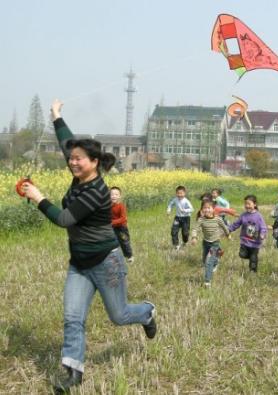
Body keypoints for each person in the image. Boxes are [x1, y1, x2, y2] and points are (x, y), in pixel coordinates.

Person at [22, 100, 156, 393]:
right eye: (72, 158)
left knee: (119, 316)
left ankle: (146, 312)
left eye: (78, 159)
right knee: (72, 317)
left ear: (94, 162)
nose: (72, 161)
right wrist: (57, 116)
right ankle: (73, 372)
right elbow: (66, 143)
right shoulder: (79, 173)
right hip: (79, 264)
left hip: (106, 262)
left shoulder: (98, 191)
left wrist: (38, 198)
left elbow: (65, 219)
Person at [191, 200, 230, 287]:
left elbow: (224, 226)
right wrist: (194, 237)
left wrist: (228, 234)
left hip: (215, 243)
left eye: (209, 208)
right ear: (201, 209)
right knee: (205, 260)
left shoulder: (217, 219)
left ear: (213, 209)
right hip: (205, 243)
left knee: (208, 262)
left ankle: (207, 281)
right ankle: (216, 260)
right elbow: (195, 229)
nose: (206, 210)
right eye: (204, 208)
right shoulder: (201, 219)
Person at [228, 195, 267, 273]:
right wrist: (228, 230)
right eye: (245, 204)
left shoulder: (258, 216)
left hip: (255, 243)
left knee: (253, 259)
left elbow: (263, 227)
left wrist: (262, 234)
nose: (247, 206)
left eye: (249, 204)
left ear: (255, 204)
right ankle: (251, 256)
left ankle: (253, 272)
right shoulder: (243, 215)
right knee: (242, 255)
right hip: (245, 241)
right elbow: (236, 224)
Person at [110, 186, 134, 263]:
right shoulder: (109, 206)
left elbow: (123, 218)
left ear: (120, 196)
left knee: (124, 241)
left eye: (116, 194)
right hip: (113, 228)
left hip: (122, 228)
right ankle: (115, 258)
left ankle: (129, 256)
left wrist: (112, 222)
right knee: (112, 242)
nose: (114, 196)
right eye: (112, 194)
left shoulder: (121, 206)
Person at [167, 186, 194, 250]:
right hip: (177, 218)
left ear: (184, 193)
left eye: (181, 193)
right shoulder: (175, 199)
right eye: (178, 193)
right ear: (176, 193)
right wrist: (168, 210)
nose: (179, 195)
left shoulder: (186, 201)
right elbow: (170, 204)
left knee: (185, 233)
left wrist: (184, 210)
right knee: (173, 231)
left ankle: (185, 242)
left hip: (186, 218)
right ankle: (176, 245)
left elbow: (192, 209)